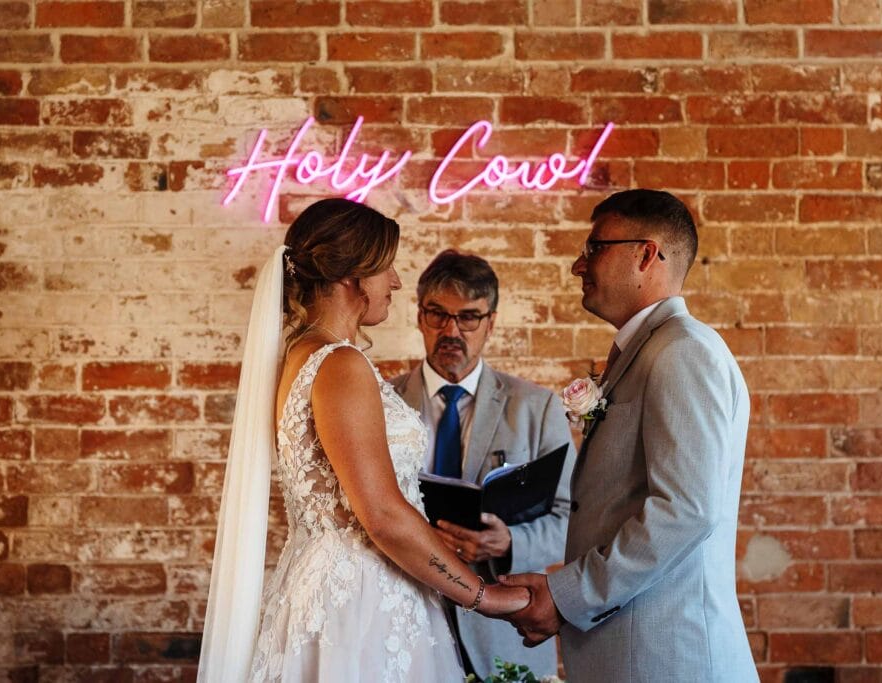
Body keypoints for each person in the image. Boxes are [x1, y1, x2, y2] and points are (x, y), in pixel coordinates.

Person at [197, 198, 529, 682]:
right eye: (387, 268)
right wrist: (484, 595)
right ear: (354, 277)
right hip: (358, 603)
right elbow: (382, 515)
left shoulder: (298, 357)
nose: (395, 282)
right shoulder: (339, 365)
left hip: (327, 587)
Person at [501, 189, 758, 682]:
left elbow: (685, 511)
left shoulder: (683, 352)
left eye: (595, 247)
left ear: (646, 255)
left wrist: (566, 594)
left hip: (667, 658)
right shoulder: (648, 351)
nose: (579, 265)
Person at [391, 250, 573, 680]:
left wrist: (509, 542)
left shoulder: (538, 407)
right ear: (419, 316)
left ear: (491, 322)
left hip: (503, 629)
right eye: (438, 314)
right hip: (405, 620)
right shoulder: (384, 403)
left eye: (469, 317)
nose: (451, 331)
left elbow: (573, 521)